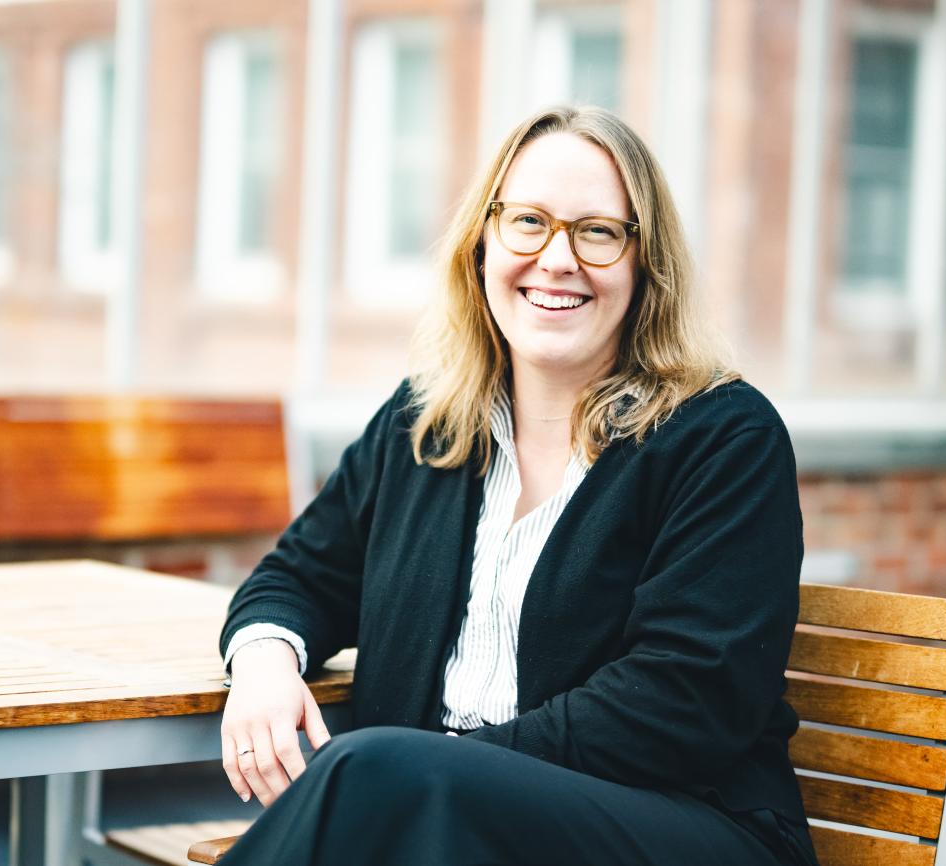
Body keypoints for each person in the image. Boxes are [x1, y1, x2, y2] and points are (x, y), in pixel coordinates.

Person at [214, 106, 820, 866]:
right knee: (381, 785)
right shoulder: (424, 424)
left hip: (680, 825)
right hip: (437, 815)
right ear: (482, 245)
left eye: (598, 231)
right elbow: (298, 574)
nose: (557, 258)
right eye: (528, 221)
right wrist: (266, 664)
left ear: (645, 264)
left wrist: (448, 767)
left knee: (374, 778)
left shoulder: (721, 438)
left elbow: (687, 700)